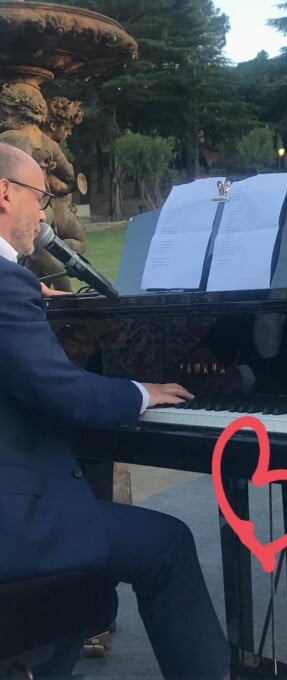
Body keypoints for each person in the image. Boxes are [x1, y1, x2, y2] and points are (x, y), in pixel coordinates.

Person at [0, 144, 230, 680]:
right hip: (14, 521)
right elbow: (65, 394)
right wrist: (142, 392)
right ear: (4, 193)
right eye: (41, 196)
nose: (45, 211)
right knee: (168, 544)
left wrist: (26, 296)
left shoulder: (12, 285)